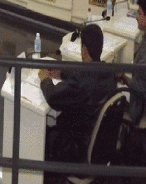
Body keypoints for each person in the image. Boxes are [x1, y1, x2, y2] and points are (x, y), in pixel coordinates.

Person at [39, 24, 116, 163]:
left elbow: (53, 97)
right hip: (93, 138)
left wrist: (45, 80)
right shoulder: (109, 72)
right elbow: (86, 76)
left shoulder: (81, 83)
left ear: (84, 49)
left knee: (40, 132)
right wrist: (62, 73)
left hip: (74, 144)